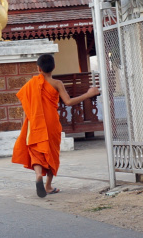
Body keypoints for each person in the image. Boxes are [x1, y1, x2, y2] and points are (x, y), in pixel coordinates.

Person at [12, 54, 100, 198]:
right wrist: (88, 94)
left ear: (38, 68)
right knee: (52, 153)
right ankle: (47, 185)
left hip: (34, 122)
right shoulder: (57, 83)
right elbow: (69, 102)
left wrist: (25, 125)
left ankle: (38, 175)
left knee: (36, 151)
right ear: (53, 67)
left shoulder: (30, 84)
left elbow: (26, 108)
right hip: (51, 122)